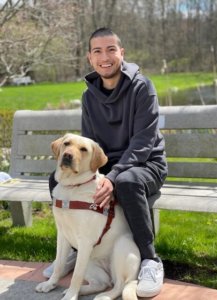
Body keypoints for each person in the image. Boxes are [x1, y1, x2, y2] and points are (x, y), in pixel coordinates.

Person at [44, 27, 168, 298]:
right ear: (90, 58)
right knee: (56, 179)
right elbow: (90, 145)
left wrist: (111, 177)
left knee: (125, 182)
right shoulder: (89, 97)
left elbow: (143, 143)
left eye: (111, 49)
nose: (105, 56)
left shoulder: (142, 87)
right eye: (97, 51)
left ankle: (149, 260)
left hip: (147, 164)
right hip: (110, 165)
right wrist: (94, 175)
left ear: (121, 53)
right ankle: (76, 250)